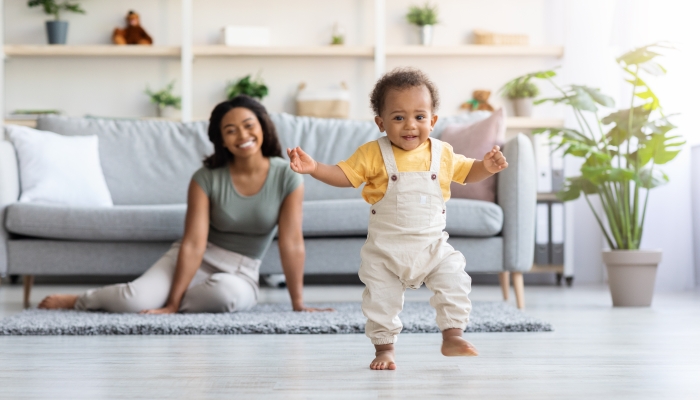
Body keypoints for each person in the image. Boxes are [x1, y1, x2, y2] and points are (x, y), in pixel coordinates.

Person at [287, 68, 508, 370]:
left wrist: (488, 167)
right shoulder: (372, 154)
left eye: (419, 117)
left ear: (433, 121)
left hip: (432, 249)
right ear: (381, 122)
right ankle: (384, 349)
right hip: (385, 253)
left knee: (455, 279)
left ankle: (452, 334)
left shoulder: (442, 153)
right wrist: (316, 168)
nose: (410, 126)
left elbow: (469, 172)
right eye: (398, 117)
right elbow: (345, 176)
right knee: (380, 302)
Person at [39, 96, 330, 314]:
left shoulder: (287, 174)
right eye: (231, 130)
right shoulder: (205, 178)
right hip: (195, 257)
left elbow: (291, 243)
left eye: (248, 126)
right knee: (134, 301)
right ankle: (80, 300)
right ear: (221, 140)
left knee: (224, 296)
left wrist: (298, 303)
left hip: (241, 271)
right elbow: (193, 243)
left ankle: (170, 299)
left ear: (263, 127)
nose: (242, 136)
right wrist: (173, 302)